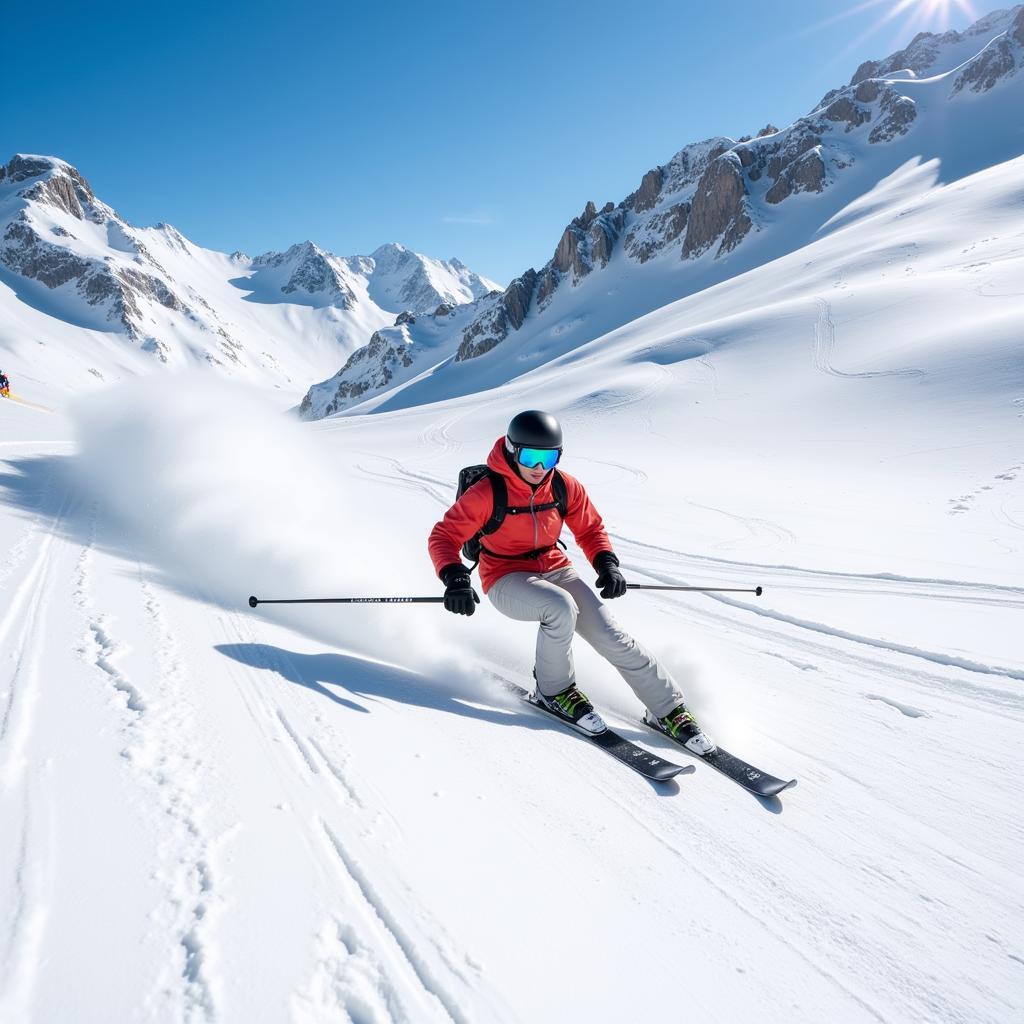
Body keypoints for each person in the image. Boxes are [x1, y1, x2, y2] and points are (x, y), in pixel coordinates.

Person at [427, 409, 713, 754]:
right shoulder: (488, 492)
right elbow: (443, 536)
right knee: (559, 608)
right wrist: (455, 577)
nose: (538, 467)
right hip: (504, 576)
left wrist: (607, 565)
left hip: (555, 567)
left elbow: (590, 529)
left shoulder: (564, 486)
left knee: (611, 635)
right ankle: (555, 692)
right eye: (530, 456)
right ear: (511, 450)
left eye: (549, 457)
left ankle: (668, 710)